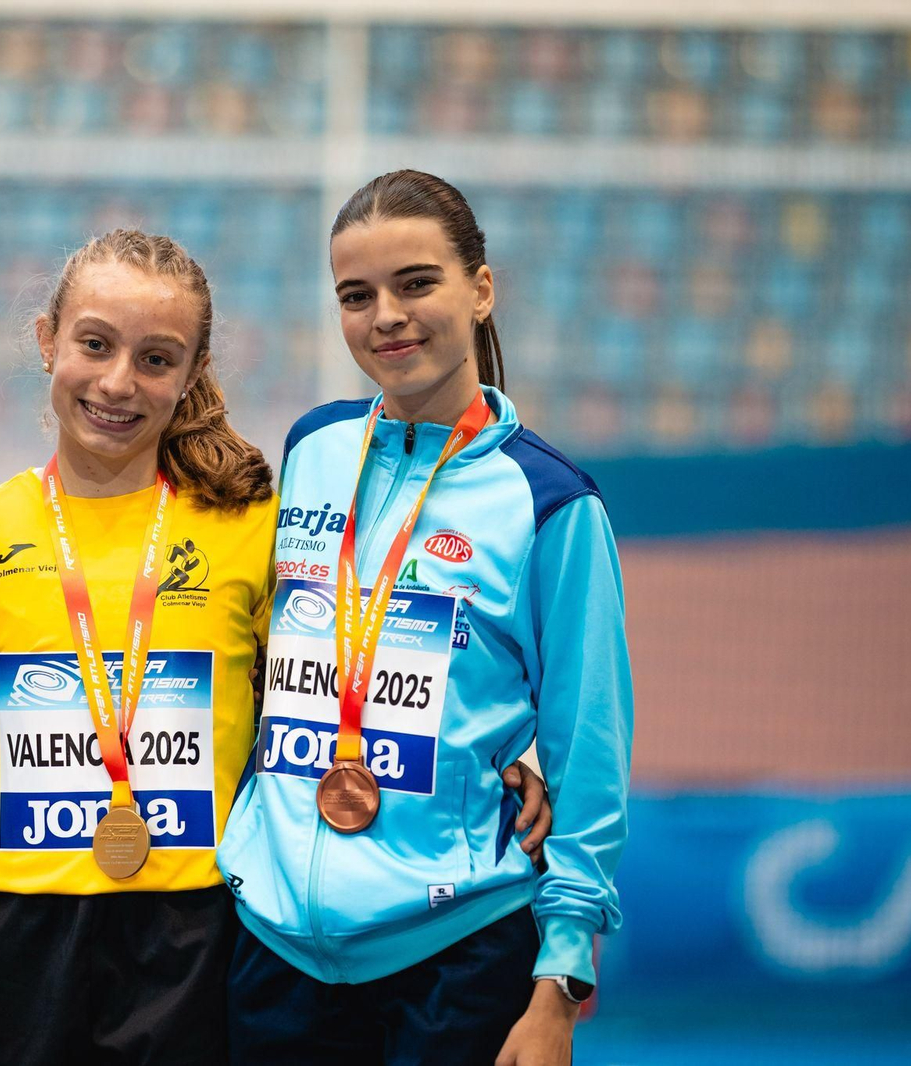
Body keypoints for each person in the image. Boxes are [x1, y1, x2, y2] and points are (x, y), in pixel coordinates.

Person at [0, 225, 554, 1064]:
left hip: (197, 925)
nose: (118, 383)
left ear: (191, 371)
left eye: (155, 359)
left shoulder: (250, 527)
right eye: (94, 346)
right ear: (47, 342)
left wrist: (500, 759)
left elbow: (336, 680)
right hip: (13, 923)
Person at [215, 168, 633, 1066]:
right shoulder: (313, 447)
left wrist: (559, 985)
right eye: (356, 295)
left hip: (459, 960)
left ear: (481, 290)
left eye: (416, 283)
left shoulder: (552, 501)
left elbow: (589, 759)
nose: (386, 316)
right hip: (274, 946)